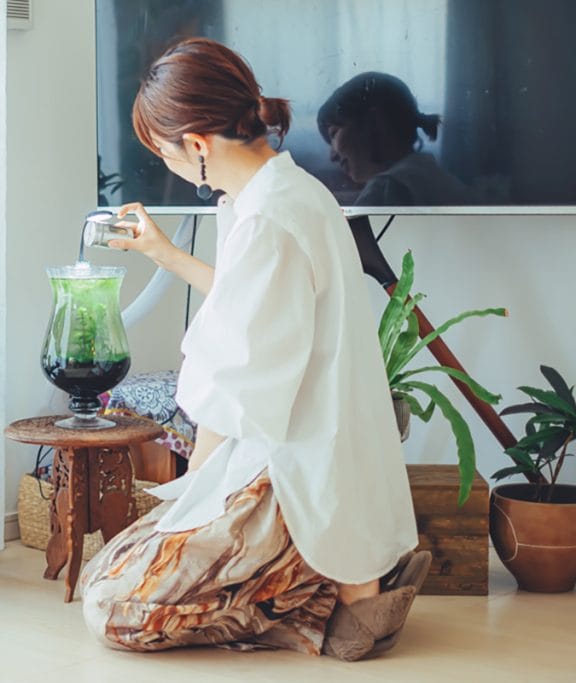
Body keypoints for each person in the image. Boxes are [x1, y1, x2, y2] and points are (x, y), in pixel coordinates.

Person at [78, 38, 430, 661]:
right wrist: (163, 252)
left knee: (111, 607)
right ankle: (354, 595)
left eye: (163, 151)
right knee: (115, 565)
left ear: (196, 144)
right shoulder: (284, 194)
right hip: (318, 456)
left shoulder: (266, 218)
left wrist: (195, 499)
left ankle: (321, 613)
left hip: (288, 472)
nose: (168, 166)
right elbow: (249, 303)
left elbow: (234, 394)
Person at [317, 71, 470, 207]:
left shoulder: (387, 188)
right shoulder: (427, 175)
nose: (333, 156)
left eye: (334, 134)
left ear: (374, 123)